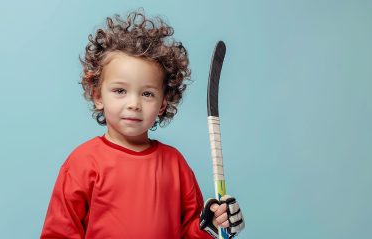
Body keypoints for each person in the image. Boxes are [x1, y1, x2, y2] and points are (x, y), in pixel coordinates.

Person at [40, 9, 244, 239]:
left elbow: (191, 232)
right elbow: (59, 234)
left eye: (147, 94)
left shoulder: (175, 164)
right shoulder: (81, 164)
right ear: (98, 96)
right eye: (120, 91)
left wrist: (212, 226)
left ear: (163, 102)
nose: (134, 104)